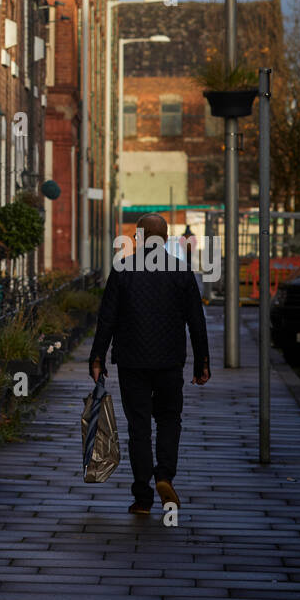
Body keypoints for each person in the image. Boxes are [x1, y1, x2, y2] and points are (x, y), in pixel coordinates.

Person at [88, 213, 210, 516]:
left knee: (139, 427)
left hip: (132, 361)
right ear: (166, 239)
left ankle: (142, 498)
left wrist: (97, 357)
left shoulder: (123, 270)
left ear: (138, 239)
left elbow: (107, 319)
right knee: (170, 419)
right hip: (169, 361)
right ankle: (164, 475)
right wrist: (201, 363)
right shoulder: (181, 272)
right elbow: (196, 321)